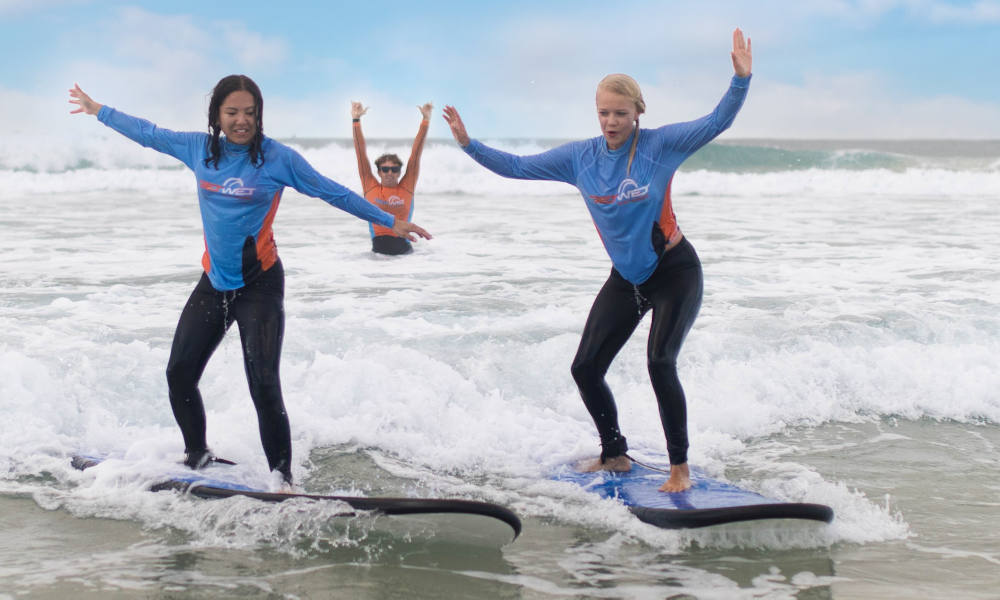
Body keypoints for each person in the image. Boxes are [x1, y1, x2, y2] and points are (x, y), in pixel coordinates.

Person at [68, 75, 431, 486]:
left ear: (259, 115)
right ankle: (198, 455)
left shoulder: (278, 159)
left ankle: (283, 479)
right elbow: (150, 134)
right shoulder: (198, 149)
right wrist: (100, 111)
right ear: (217, 116)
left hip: (260, 284)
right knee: (179, 373)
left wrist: (390, 221)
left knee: (262, 382)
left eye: (250, 112)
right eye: (232, 112)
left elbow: (332, 192)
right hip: (215, 282)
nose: (242, 120)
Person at [443, 29, 752, 492]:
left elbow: (715, 122)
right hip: (627, 278)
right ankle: (615, 455)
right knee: (585, 368)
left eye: (620, 113)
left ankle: (679, 468)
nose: (610, 121)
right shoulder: (580, 158)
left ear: (638, 113)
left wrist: (740, 81)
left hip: (674, 271)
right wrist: (470, 145)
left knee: (660, 362)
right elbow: (519, 167)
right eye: (604, 113)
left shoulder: (660, 146)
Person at [351, 101, 433, 255]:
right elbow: (360, 153)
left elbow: (416, 154)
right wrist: (356, 120)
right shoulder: (370, 186)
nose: (390, 173)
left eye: (394, 169)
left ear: (400, 172)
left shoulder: (406, 187)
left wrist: (425, 120)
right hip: (377, 257)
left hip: (404, 256)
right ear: (379, 171)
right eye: (385, 169)